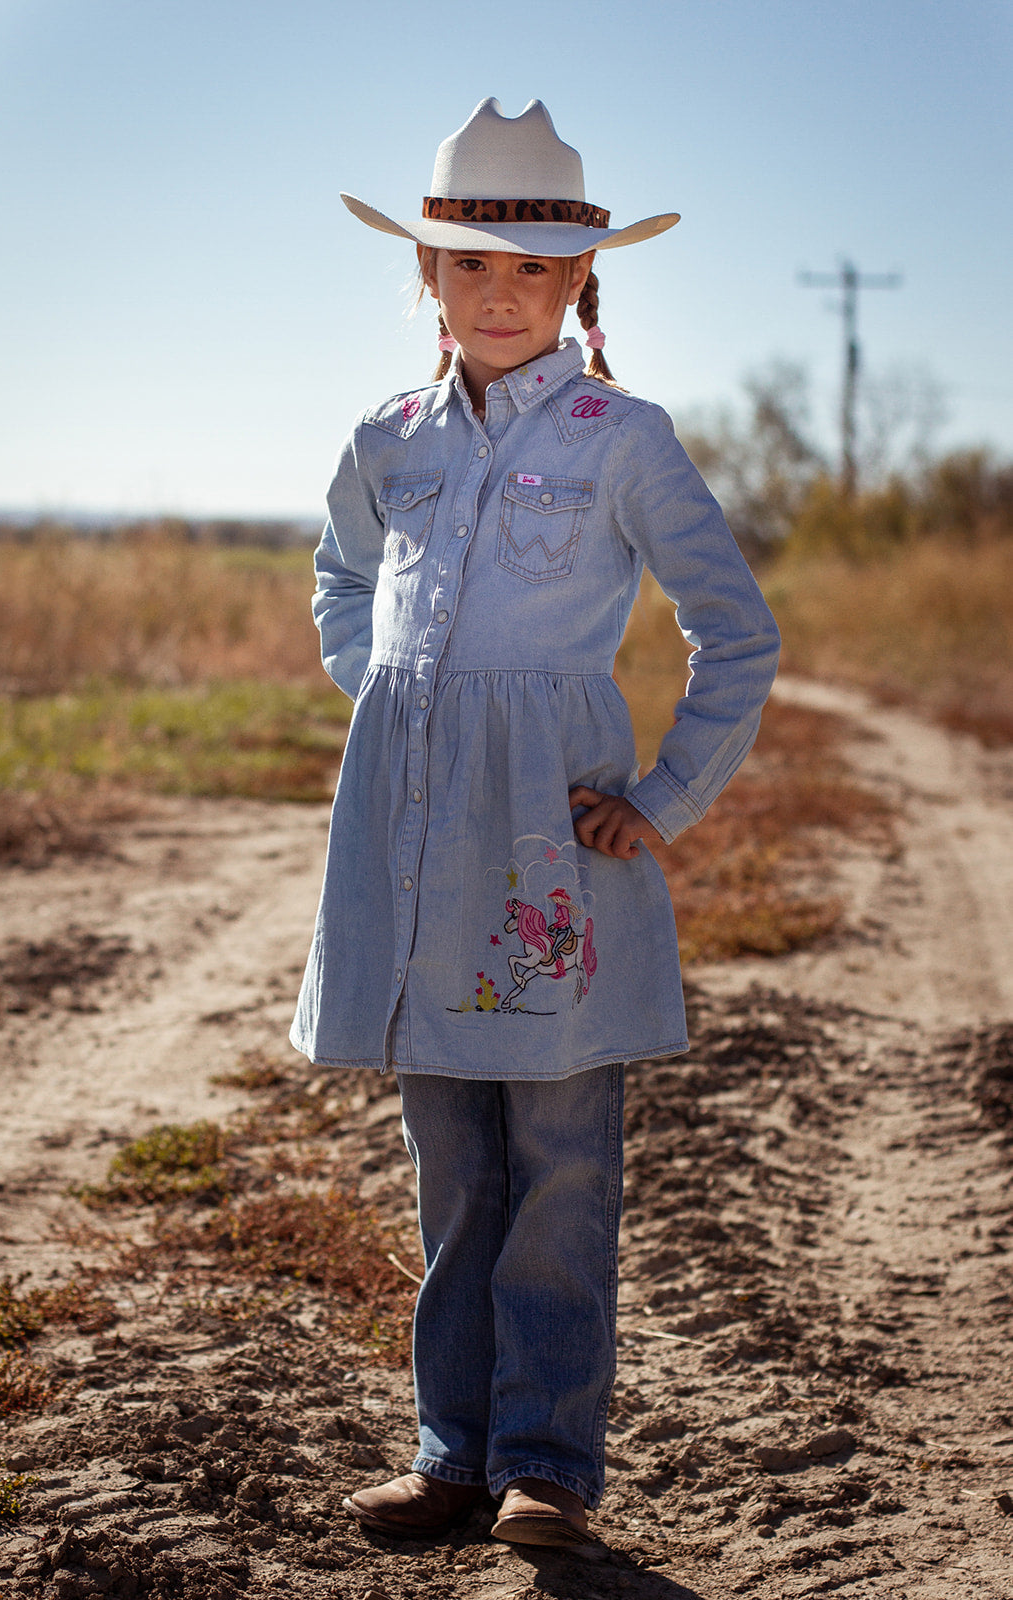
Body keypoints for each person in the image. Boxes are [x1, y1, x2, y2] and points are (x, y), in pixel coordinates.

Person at [291, 98, 780, 1547]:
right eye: (468, 267)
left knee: (561, 1167)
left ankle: (546, 1465)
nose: (498, 294)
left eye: (531, 270)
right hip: (415, 856)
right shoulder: (387, 440)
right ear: (427, 281)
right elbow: (340, 585)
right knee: (452, 1171)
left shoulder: (623, 438)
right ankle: (451, 1453)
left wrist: (662, 795)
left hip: (554, 857)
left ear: (578, 286)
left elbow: (734, 635)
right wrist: (395, 708)